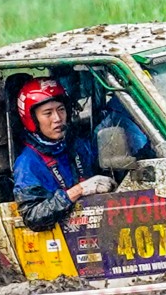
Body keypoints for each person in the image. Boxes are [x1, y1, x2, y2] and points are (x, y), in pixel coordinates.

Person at [12, 77, 113, 231]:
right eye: (48, 113)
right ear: (32, 119)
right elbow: (33, 216)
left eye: (61, 109)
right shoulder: (28, 163)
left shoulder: (77, 144)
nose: (57, 119)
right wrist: (78, 191)